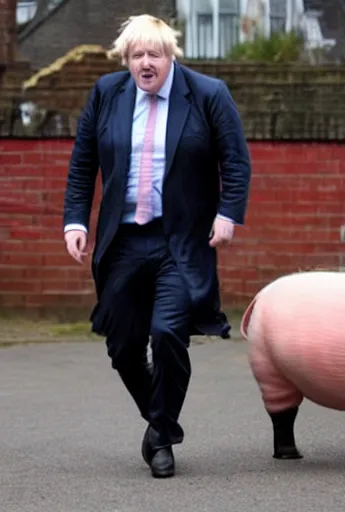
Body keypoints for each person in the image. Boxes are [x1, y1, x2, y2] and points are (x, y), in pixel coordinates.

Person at [62, 14, 251, 479]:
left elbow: (236, 161)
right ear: (126, 59)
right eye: (136, 55)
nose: (146, 63)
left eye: (155, 54)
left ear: (171, 56)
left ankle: (161, 438)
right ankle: (160, 419)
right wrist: (73, 221)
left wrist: (227, 215)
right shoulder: (108, 94)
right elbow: (83, 163)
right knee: (123, 345)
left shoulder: (207, 95)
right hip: (123, 241)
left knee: (168, 333)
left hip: (179, 242)